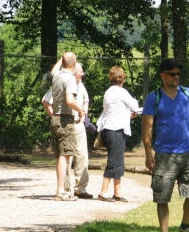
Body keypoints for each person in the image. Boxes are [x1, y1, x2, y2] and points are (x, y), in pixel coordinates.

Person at [142, 59, 189, 232]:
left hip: (187, 153)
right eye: (172, 74)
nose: (176, 77)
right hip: (164, 155)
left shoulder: (188, 94)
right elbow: (147, 127)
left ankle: (185, 226)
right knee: (162, 197)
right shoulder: (154, 98)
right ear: (162, 76)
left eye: (178, 74)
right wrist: (148, 153)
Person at [41, 61, 93, 199]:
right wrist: (55, 116)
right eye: (80, 71)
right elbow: (45, 101)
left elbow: (86, 100)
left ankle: (80, 188)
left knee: (82, 156)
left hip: (78, 123)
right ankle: (65, 188)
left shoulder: (80, 84)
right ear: (74, 72)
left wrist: (84, 114)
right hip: (66, 123)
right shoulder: (62, 83)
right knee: (66, 156)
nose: (83, 74)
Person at [96, 65, 141, 202]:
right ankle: (103, 193)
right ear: (122, 78)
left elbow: (114, 111)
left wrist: (127, 114)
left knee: (118, 161)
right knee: (113, 161)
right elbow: (134, 106)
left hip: (110, 129)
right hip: (116, 130)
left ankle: (117, 192)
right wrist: (132, 110)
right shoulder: (121, 92)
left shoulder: (108, 92)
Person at [48, 52, 84, 201]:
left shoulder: (56, 76)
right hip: (65, 121)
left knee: (61, 157)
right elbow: (70, 100)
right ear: (74, 64)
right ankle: (61, 191)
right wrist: (80, 110)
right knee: (65, 157)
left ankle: (60, 189)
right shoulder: (69, 78)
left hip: (55, 119)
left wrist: (61, 59)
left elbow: (53, 71)